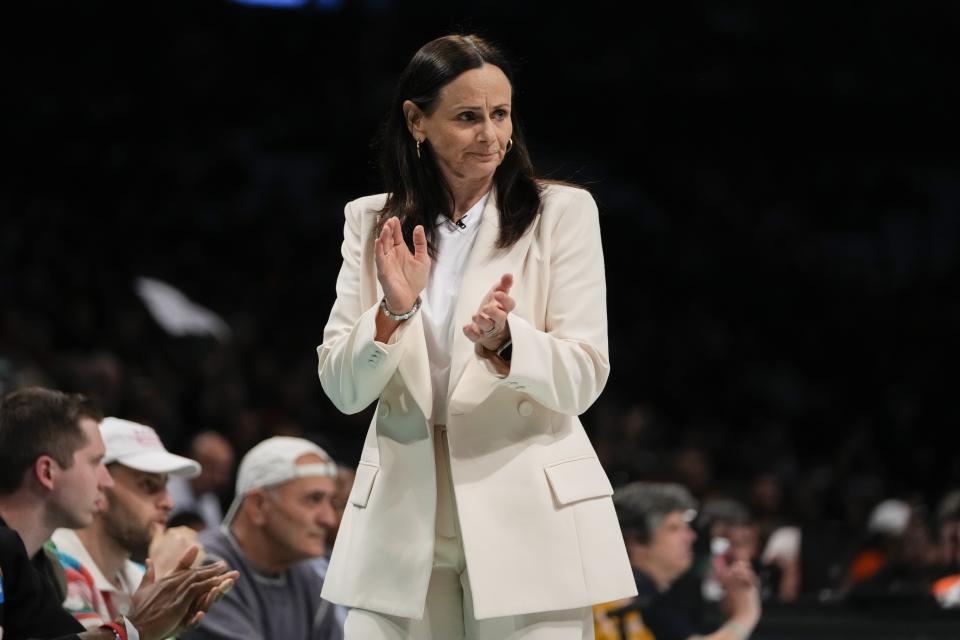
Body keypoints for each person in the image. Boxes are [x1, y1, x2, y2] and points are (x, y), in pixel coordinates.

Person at [317, 34, 635, 639]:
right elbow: (342, 389)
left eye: (500, 114)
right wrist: (392, 310)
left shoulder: (561, 214)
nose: (490, 134)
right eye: (467, 118)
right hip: (402, 518)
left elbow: (586, 375)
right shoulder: (370, 221)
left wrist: (506, 343)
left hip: (527, 514)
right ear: (417, 120)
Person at [0, 386, 237, 640]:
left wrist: (156, 627)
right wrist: (136, 626)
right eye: (94, 463)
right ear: (47, 472)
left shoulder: (35, 567)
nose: (105, 482)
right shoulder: (60, 564)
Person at [180, 436, 342, 640]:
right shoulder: (204, 566)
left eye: (332, 502)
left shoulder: (312, 577)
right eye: (313, 499)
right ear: (258, 505)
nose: (329, 519)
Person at [52, 416, 205, 629]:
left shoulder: (135, 574)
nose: (169, 502)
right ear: (99, 485)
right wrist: (162, 588)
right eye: (149, 485)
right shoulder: (54, 563)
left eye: (166, 486)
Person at [599, 482, 761, 640]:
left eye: (686, 527)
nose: (690, 537)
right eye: (674, 528)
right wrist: (745, 613)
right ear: (637, 542)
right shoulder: (636, 599)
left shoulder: (652, 594)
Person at [167, 431, 235, 530]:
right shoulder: (167, 489)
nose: (218, 479)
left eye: (223, 471)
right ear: (193, 460)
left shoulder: (210, 500)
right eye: (212, 468)